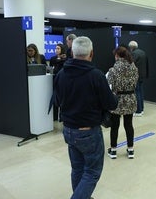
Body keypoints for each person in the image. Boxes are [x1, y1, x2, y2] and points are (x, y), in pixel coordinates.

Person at [54, 36, 118, 199]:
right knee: (91, 172)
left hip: (68, 130)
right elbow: (111, 104)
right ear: (91, 54)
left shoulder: (61, 74)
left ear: (72, 52)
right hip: (88, 132)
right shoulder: (96, 75)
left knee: (77, 169)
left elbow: (57, 101)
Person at [106, 46, 138, 159]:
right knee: (129, 125)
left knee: (115, 126)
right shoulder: (134, 68)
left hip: (117, 99)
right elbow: (136, 83)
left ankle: (113, 150)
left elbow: (110, 85)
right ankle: (130, 150)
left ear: (117, 56)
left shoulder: (113, 70)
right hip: (130, 98)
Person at [128, 41, 148, 117]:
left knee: (137, 93)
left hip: (136, 76)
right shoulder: (143, 52)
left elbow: (131, 64)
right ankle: (141, 109)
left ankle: (138, 111)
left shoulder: (134, 54)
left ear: (131, 47)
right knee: (140, 92)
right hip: (142, 75)